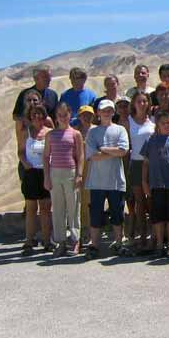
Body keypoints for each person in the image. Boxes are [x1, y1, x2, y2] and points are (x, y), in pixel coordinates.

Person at [84, 100, 129, 258]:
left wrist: (102, 149)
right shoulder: (92, 132)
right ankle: (94, 245)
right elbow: (91, 155)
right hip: (96, 181)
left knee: (117, 214)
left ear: (113, 112)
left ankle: (118, 243)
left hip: (115, 180)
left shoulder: (120, 129)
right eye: (103, 110)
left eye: (109, 110)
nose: (106, 113)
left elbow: (123, 150)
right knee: (96, 214)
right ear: (98, 112)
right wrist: (113, 152)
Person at [141, 110, 169, 257]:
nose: (166, 125)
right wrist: (144, 182)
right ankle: (160, 244)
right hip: (156, 185)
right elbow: (145, 164)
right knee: (158, 216)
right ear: (157, 124)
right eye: (163, 123)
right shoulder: (150, 141)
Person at [43, 102, 84, 256]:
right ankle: (60, 241)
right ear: (56, 116)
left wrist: (79, 174)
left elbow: (80, 156)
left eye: (65, 114)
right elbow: (46, 156)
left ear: (70, 114)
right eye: (59, 115)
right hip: (55, 174)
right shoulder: (50, 135)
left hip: (71, 173)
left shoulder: (75, 134)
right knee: (58, 209)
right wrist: (47, 177)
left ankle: (75, 240)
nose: (63, 118)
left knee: (73, 208)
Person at [17, 104, 53, 255]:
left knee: (45, 208)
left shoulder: (50, 132)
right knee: (31, 209)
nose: (37, 117)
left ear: (44, 116)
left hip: (46, 172)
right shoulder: (25, 132)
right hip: (31, 173)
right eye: (34, 114)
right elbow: (20, 152)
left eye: (40, 114)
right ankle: (29, 241)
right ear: (30, 116)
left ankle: (47, 240)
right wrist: (26, 165)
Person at [126, 92, 155, 250]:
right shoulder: (128, 121)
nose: (142, 104)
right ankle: (142, 235)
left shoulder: (153, 121)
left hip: (152, 164)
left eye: (145, 101)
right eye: (139, 101)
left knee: (151, 200)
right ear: (134, 104)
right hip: (136, 164)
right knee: (139, 202)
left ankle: (153, 235)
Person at [74, 105, 95, 248]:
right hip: (81, 168)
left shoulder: (97, 130)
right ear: (79, 117)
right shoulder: (76, 132)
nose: (86, 117)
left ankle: (93, 229)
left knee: (94, 200)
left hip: (95, 167)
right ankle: (83, 230)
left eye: (89, 115)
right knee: (81, 200)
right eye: (84, 115)